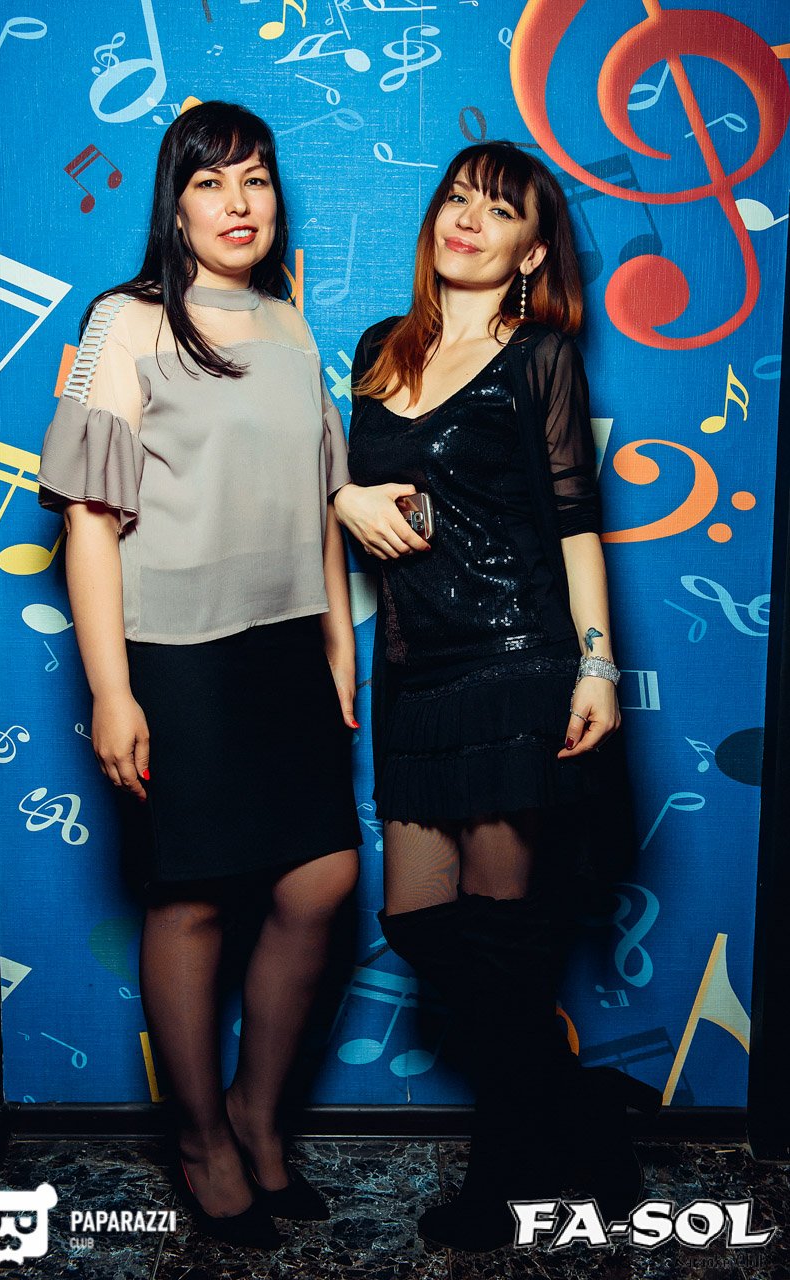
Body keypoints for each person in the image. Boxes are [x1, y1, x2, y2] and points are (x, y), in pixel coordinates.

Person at [36, 100, 361, 1249]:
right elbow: (88, 518)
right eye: (213, 181)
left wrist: (338, 639)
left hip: (286, 639)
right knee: (194, 895)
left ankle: (258, 1114)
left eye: (257, 179)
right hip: (175, 651)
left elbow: (321, 494)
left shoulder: (290, 323)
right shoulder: (122, 321)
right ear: (175, 206)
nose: (239, 202)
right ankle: (202, 1141)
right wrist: (112, 689)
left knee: (320, 880)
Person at [333, 141, 661, 1252]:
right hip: (416, 671)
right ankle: (583, 1109)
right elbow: (348, 479)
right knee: (417, 922)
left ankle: (505, 1170)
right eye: (458, 198)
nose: (468, 218)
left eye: (499, 210)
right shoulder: (379, 349)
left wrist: (597, 665)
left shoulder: (540, 356)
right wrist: (341, 498)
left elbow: (575, 524)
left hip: (518, 659)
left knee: (504, 934)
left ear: (530, 252)